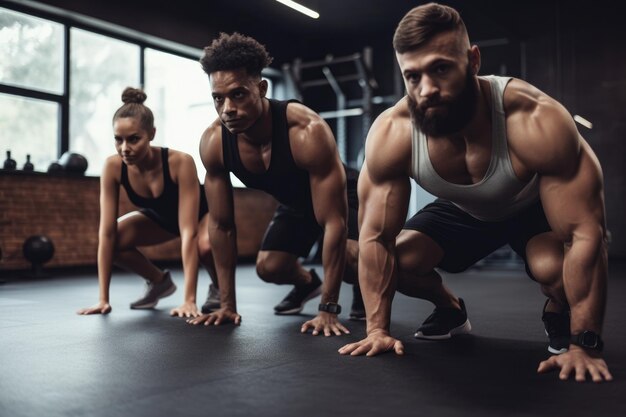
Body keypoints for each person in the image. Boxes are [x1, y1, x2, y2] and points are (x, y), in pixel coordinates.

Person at [338, 3, 612, 383]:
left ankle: (557, 310)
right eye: (412, 76)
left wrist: (585, 346)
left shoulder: (534, 118)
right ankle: (450, 309)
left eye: (441, 69)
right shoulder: (393, 133)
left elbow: (585, 234)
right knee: (372, 258)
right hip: (461, 210)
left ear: (473, 60)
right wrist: (377, 331)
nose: (427, 89)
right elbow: (375, 237)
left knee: (556, 271)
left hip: (531, 207)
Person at [187, 32, 364, 333]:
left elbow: (334, 223)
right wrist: (227, 306)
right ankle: (308, 284)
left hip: (345, 197)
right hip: (296, 202)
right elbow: (221, 225)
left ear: (262, 88)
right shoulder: (214, 142)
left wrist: (328, 308)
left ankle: (361, 285)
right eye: (218, 98)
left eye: (238, 94)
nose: (227, 108)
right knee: (269, 267)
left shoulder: (306, 130)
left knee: (349, 259)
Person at [77, 87, 219, 318]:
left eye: (134, 139)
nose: (125, 148)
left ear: (151, 134)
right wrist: (103, 299)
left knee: (205, 246)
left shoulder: (180, 162)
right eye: (118, 139)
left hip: (201, 216)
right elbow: (106, 233)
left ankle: (219, 287)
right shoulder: (112, 167)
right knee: (114, 240)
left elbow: (188, 231)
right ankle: (158, 281)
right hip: (161, 219)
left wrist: (189, 301)